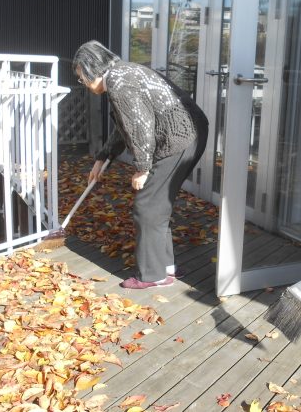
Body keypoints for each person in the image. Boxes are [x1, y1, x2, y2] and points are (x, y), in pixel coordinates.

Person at [72, 40, 209, 290]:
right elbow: (126, 125)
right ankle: (166, 267)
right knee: (157, 204)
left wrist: (143, 168)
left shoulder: (119, 81)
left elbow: (139, 126)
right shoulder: (123, 73)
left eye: (82, 78)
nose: (83, 83)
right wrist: (103, 157)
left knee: (146, 205)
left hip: (180, 137)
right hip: (190, 132)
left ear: (92, 68)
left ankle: (153, 275)